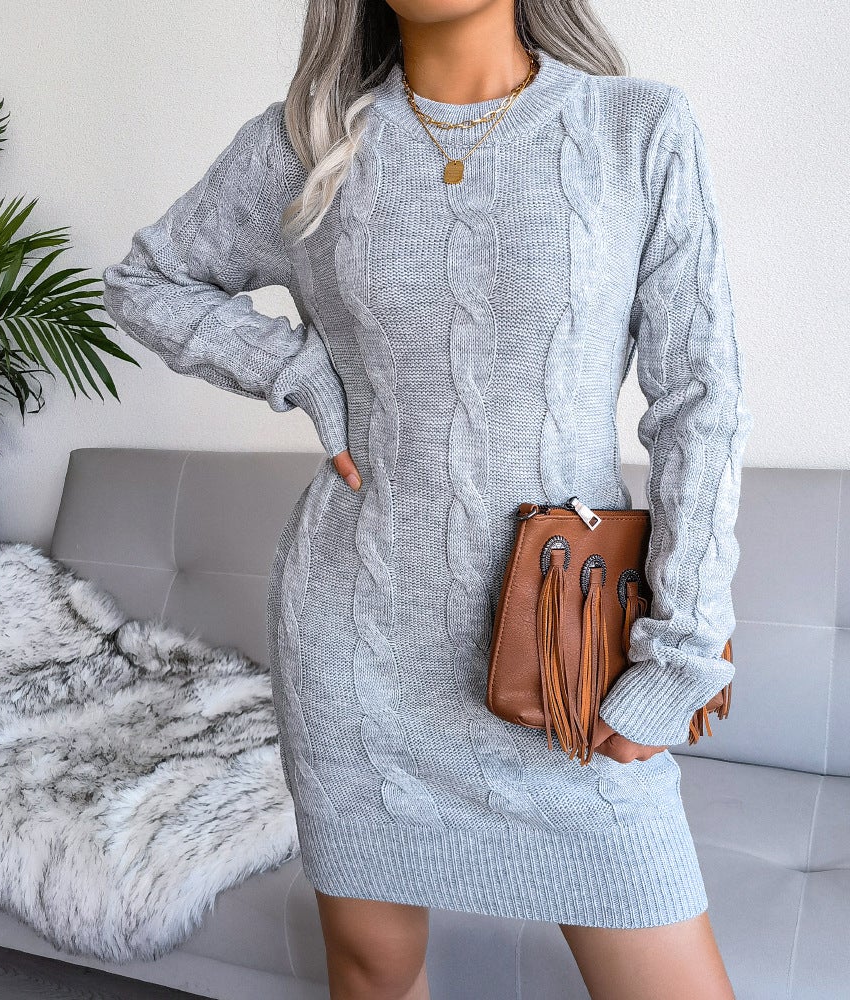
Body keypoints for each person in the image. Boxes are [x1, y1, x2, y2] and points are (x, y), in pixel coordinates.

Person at [102, 1, 752, 997]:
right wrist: (296, 369)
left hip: (564, 658)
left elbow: (700, 402)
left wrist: (683, 652)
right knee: (373, 973)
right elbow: (147, 280)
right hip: (357, 653)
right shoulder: (305, 144)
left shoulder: (636, 128)